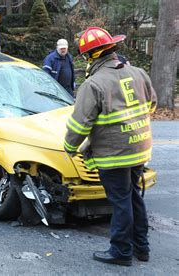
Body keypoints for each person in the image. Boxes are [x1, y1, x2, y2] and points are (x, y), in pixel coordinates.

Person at [64, 27, 157, 266]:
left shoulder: (93, 84)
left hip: (114, 155)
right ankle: (141, 248)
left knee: (120, 201)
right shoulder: (138, 73)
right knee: (133, 195)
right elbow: (152, 105)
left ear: (91, 56)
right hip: (139, 149)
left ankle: (121, 251)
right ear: (112, 49)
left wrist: (69, 147)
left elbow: (79, 125)